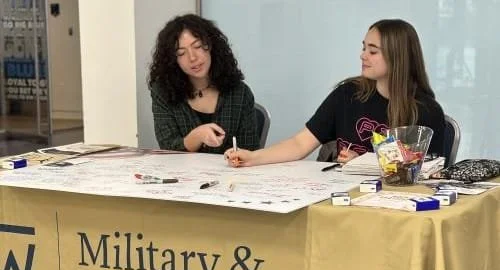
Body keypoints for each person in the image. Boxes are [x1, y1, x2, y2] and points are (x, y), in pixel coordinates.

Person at [225, 19, 445, 167]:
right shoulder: (348, 95)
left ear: (398, 57)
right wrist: (253, 157)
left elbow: (429, 174)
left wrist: (362, 163)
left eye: (372, 51)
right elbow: (300, 144)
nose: (362, 55)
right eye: (363, 48)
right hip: (342, 200)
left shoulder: (425, 111)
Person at [148, 14, 260, 153]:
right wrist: (197, 136)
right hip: (182, 173)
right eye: (181, 53)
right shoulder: (164, 91)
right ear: (172, 60)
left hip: (230, 173)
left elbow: (250, 151)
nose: (193, 58)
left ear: (211, 46)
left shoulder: (239, 93)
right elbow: (168, 148)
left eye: (198, 46)